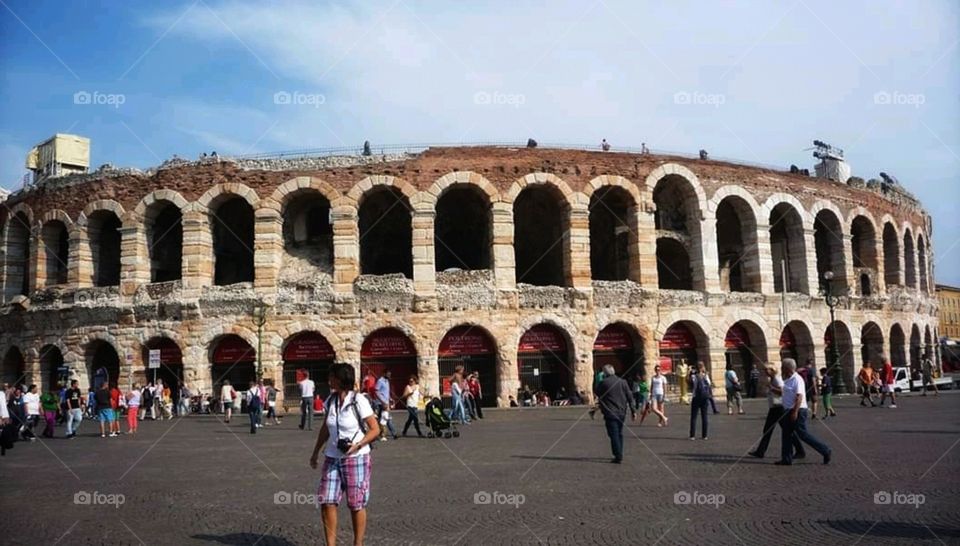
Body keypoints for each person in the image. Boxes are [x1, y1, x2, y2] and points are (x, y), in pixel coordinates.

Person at [310, 363, 380, 546]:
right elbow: (325, 428)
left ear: (341, 379)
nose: (329, 380)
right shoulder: (330, 401)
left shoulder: (359, 400)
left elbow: (375, 429)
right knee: (326, 501)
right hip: (332, 457)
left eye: (332, 377)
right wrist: (316, 451)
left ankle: (358, 544)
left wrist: (358, 445)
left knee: (356, 504)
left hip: (356, 458)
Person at [776, 358, 832, 466]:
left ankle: (825, 450)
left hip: (798, 410)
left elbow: (800, 396)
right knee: (786, 435)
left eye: (783, 367)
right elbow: (785, 393)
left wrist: (795, 412)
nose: (781, 369)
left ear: (787, 368)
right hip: (788, 410)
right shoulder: (788, 379)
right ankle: (786, 459)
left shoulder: (797, 379)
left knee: (803, 434)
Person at [748, 364, 803, 459]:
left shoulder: (777, 379)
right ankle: (760, 451)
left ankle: (800, 450)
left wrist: (771, 388)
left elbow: (783, 392)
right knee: (768, 430)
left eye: (766, 369)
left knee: (781, 430)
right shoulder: (772, 379)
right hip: (774, 407)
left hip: (779, 408)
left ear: (772, 370)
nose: (764, 371)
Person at [594, 364, 636, 463]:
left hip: (610, 412)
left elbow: (597, 392)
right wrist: (633, 410)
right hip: (622, 412)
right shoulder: (623, 382)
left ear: (605, 373)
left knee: (613, 434)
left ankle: (618, 455)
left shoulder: (604, 383)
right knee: (619, 433)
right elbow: (630, 397)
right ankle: (619, 452)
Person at [689, 363, 711, 440]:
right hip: (705, 397)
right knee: (704, 416)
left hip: (696, 397)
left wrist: (690, 373)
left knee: (694, 417)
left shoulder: (694, 376)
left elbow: (691, 385)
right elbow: (709, 384)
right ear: (702, 368)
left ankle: (692, 435)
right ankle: (704, 435)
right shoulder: (706, 376)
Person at [375, 370, 400, 438]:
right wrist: (382, 401)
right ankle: (389, 433)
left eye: (390, 375)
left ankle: (393, 433)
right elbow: (376, 392)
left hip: (386, 402)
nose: (389, 376)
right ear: (384, 374)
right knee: (383, 418)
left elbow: (386, 392)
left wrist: (390, 398)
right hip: (380, 403)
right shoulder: (380, 381)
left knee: (386, 418)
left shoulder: (387, 381)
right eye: (388, 374)